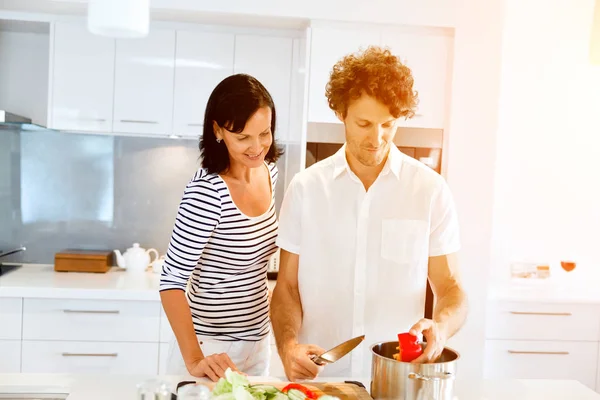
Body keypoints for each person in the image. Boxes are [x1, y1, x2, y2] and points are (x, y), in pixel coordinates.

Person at [270, 46, 468, 381]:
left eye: (388, 124)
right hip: (321, 380)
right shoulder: (306, 188)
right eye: (364, 123)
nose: (377, 139)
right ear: (341, 113)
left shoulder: (430, 190)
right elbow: (286, 287)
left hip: (397, 380)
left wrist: (442, 325)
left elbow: (450, 286)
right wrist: (288, 346)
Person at [160, 73, 283, 381]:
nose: (257, 147)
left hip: (257, 344)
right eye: (242, 137)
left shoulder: (269, 173)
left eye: (264, 133)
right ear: (218, 131)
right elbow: (171, 280)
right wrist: (194, 359)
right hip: (212, 348)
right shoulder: (207, 192)